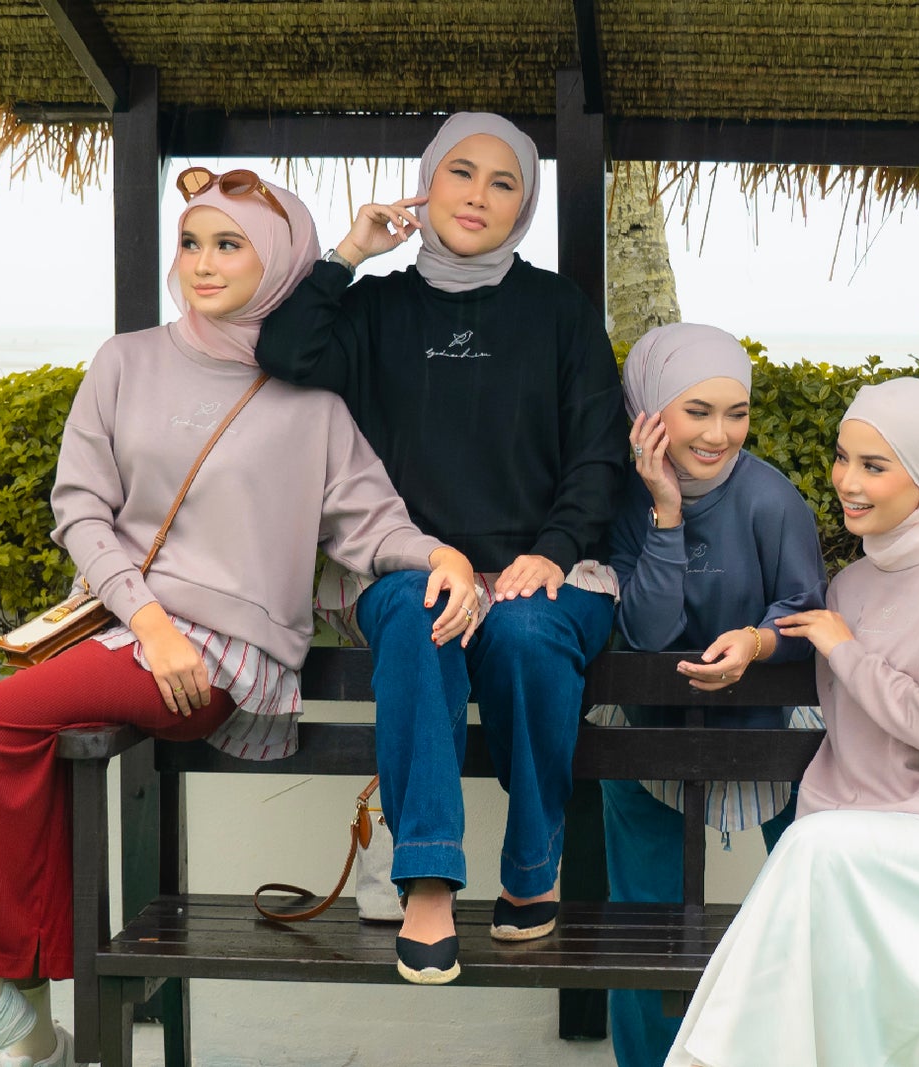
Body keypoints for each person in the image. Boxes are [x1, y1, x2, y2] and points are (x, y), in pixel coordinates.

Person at [0, 169, 482, 1067]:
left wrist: (442, 556)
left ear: (279, 259)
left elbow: (373, 526)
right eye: (191, 241)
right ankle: (30, 1024)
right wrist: (151, 623)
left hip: (221, 660)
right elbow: (80, 509)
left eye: (229, 244)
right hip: (136, 632)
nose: (202, 263)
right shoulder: (124, 361)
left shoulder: (312, 402)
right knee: (19, 742)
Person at [255, 112, 628, 984]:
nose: (478, 196)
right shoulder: (377, 309)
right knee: (424, 621)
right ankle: (427, 879)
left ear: (523, 206)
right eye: (461, 173)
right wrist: (351, 251)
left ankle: (532, 862)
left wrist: (553, 549)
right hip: (408, 564)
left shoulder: (560, 312)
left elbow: (599, 451)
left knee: (528, 632)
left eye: (504, 183)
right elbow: (285, 349)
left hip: (543, 567)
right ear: (427, 183)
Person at [665, 377, 919, 1067]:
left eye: (874, 466)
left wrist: (846, 651)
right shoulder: (850, 586)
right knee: (813, 860)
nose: (847, 482)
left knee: (811, 849)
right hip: (869, 852)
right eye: (842, 457)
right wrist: (757, 642)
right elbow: (853, 744)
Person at [595, 322, 824, 1067]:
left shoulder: (772, 500)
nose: (719, 434)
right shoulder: (620, 498)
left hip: (776, 732)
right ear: (649, 412)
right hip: (645, 735)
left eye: (737, 412)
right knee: (644, 927)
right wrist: (665, 512)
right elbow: (647, 630)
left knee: (811, 917)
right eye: (697, 411)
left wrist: (756, 642)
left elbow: (804, 610)